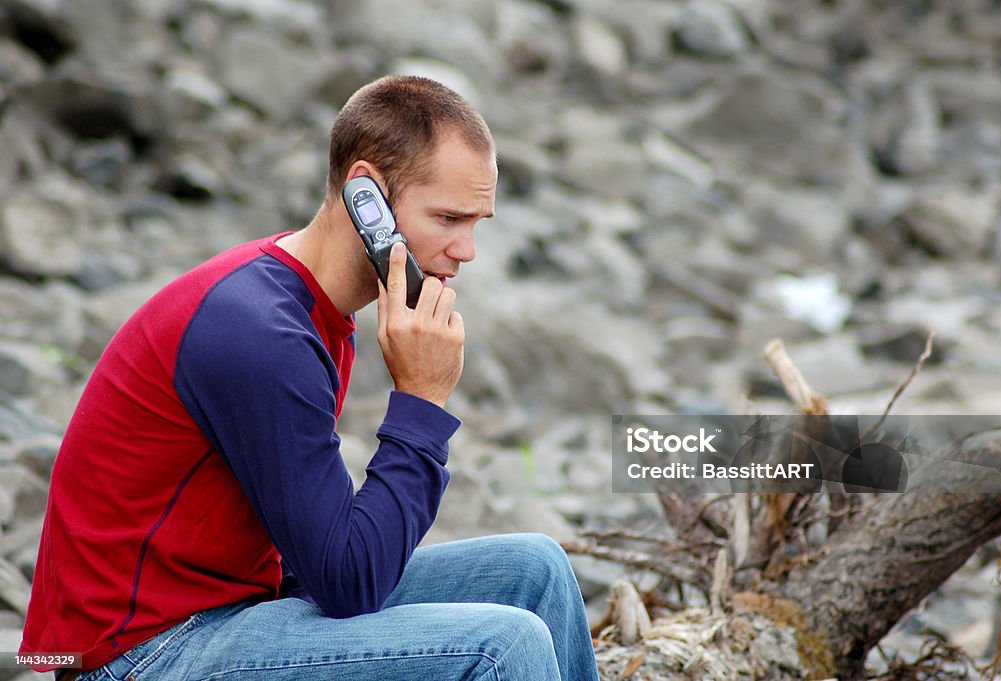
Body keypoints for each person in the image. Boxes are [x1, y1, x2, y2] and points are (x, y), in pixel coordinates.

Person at [20, 75, 601, 681]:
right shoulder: (259, 333)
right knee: (501, 646)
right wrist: (422, 400)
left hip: (237, 606)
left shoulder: (310, 308)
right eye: (449, 217)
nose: (468, 250)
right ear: (364, 197)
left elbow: (319, 556)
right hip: (141, 653)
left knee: (537, 570)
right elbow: (349, 582)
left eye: (477, 221)